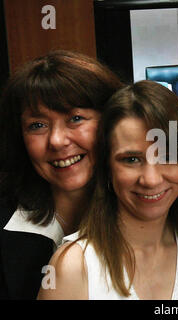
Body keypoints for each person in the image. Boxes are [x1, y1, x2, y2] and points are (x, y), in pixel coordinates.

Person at [37, 81, 178, 300]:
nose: (151, 179)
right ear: (107, 169)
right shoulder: (71, 267)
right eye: (131, 159)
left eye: (167, 155)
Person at [0, 50, 123, 299]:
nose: (56, 141)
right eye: (37, 125)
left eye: (75, 118)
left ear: (112, 122)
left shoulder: (144, 214)